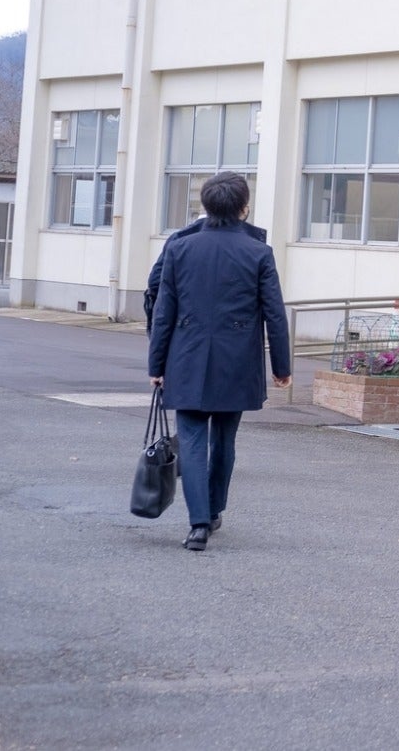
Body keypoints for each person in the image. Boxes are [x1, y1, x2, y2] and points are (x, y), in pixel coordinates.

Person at [146, 171, 292, 552]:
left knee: (192, 441)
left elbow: (164, 312)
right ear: (244, 207)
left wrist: (156, 365)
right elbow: (275, 314)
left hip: (186, 358)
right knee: (225, 440)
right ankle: (213, 511)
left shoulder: (180, 248)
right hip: (237, 361)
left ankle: (198, 525)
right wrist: (282, 367)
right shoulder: (258, 252)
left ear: (206, 205)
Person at [143, 208, 266, 330]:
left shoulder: (179, 239)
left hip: (186, 329)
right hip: (237, 331)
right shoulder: (253, 245)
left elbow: (155, 282)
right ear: (242, 211)